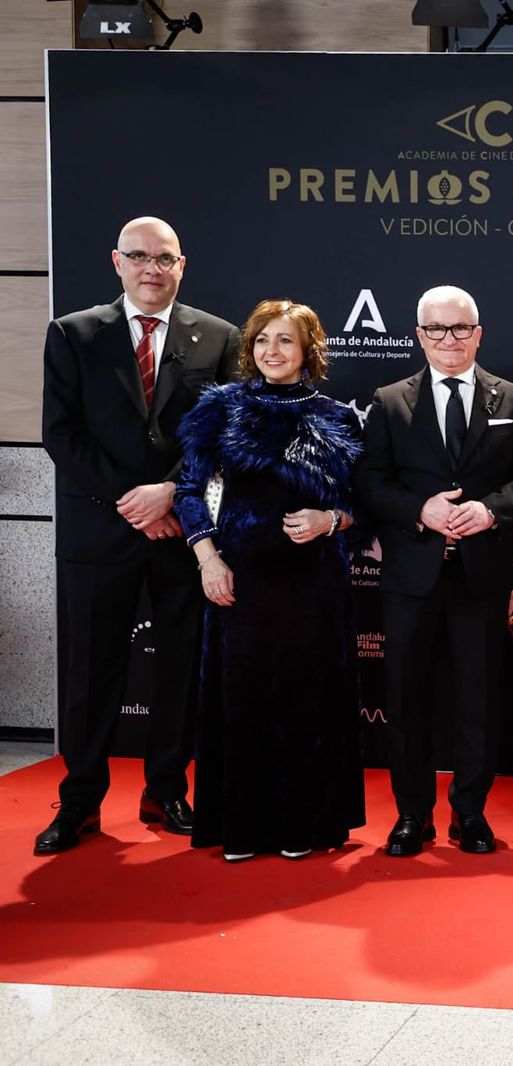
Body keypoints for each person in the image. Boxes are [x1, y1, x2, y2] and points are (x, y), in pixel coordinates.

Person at [36, 216, 240, 855]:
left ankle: (166, 790)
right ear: (117, 263)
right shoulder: (73, 333)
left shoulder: (220, 336)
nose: (153, 269)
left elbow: (221, 433)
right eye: (140, 257)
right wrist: (131, 502)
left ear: (183, 265)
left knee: (180, 669)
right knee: (92, 672)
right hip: (101, 530)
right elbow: (61, 434)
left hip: (185, 532)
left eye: (166, 258)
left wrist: (170, 494)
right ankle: (80, 804)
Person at [354, 285, 513, 857]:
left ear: (479, 334)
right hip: (410, 580)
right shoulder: (389, 402)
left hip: (480, 579)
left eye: (461, 328)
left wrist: (490, 510)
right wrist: (422, 510)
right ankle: (413, 815)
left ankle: (470, 812)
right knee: (407, 701)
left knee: (477, 702)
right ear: (419, 335)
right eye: (436, 329)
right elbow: (369, 483)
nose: (449, 340)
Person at [173, 300, 365, 861]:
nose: (271, 352)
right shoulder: (221, 409)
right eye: (261, 341)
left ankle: (304, 826)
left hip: (315, 585)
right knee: (243, 699)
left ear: (308, 350)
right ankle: (244, 826)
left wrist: (330, 519)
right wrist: (208, 559)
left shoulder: (337, 415)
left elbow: (363, 505)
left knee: (307, 700)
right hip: (241, 580)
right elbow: (188, 492)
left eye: (284, 341)